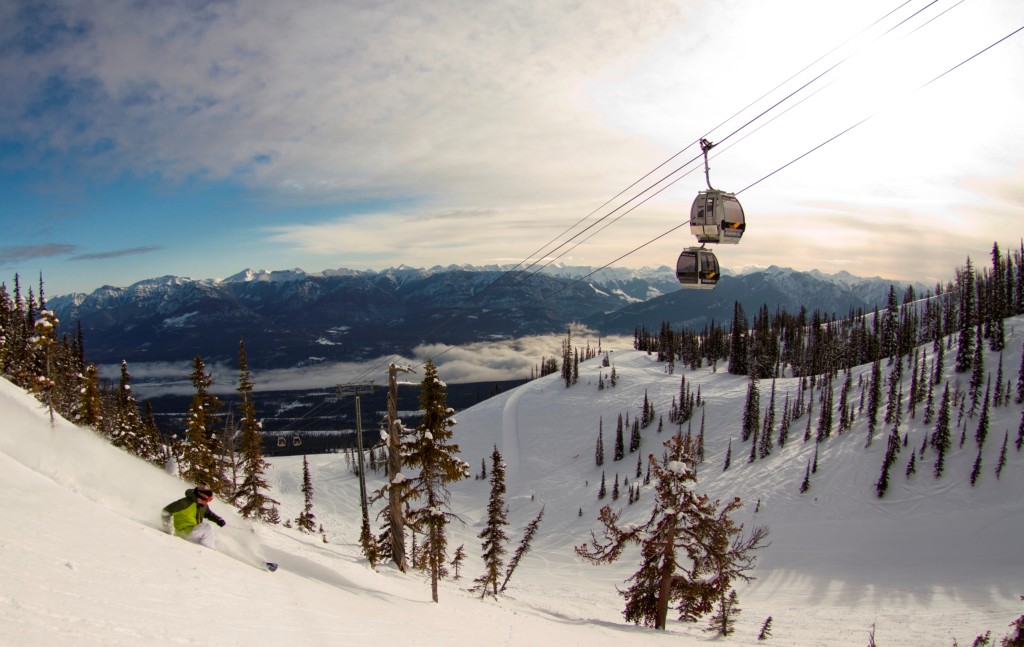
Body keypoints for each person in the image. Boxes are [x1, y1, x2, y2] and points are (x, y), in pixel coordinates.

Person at [162, 485, 226, 549]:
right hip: (182, 532)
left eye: (209, 500)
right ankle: (208, 551)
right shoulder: (185, 503)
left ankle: (206, 548)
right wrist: (167, 529)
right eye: (207, 500)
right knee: (208, 528)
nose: (207, 502)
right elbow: (166, 511)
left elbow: (209, 514)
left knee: (213, 536)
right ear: (200, 497)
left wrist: (218, 520)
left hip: (193, 531)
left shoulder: (203, 505)